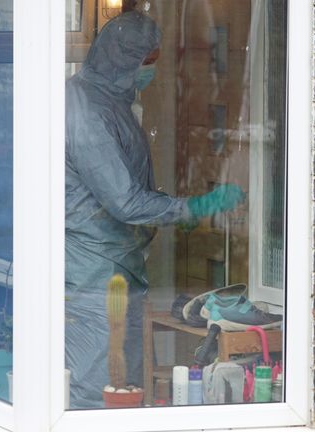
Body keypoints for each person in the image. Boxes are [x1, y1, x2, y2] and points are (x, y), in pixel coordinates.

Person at [65, 10, 244, 408]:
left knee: (121, 385)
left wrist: (171, 212)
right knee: (98, 393)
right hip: (94, 273)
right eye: (147, 64)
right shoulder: (88, 112)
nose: (151, 73)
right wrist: (194, 207)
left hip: (113, 268)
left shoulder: (107, 100)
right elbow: (125, 200)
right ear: (122, 60)